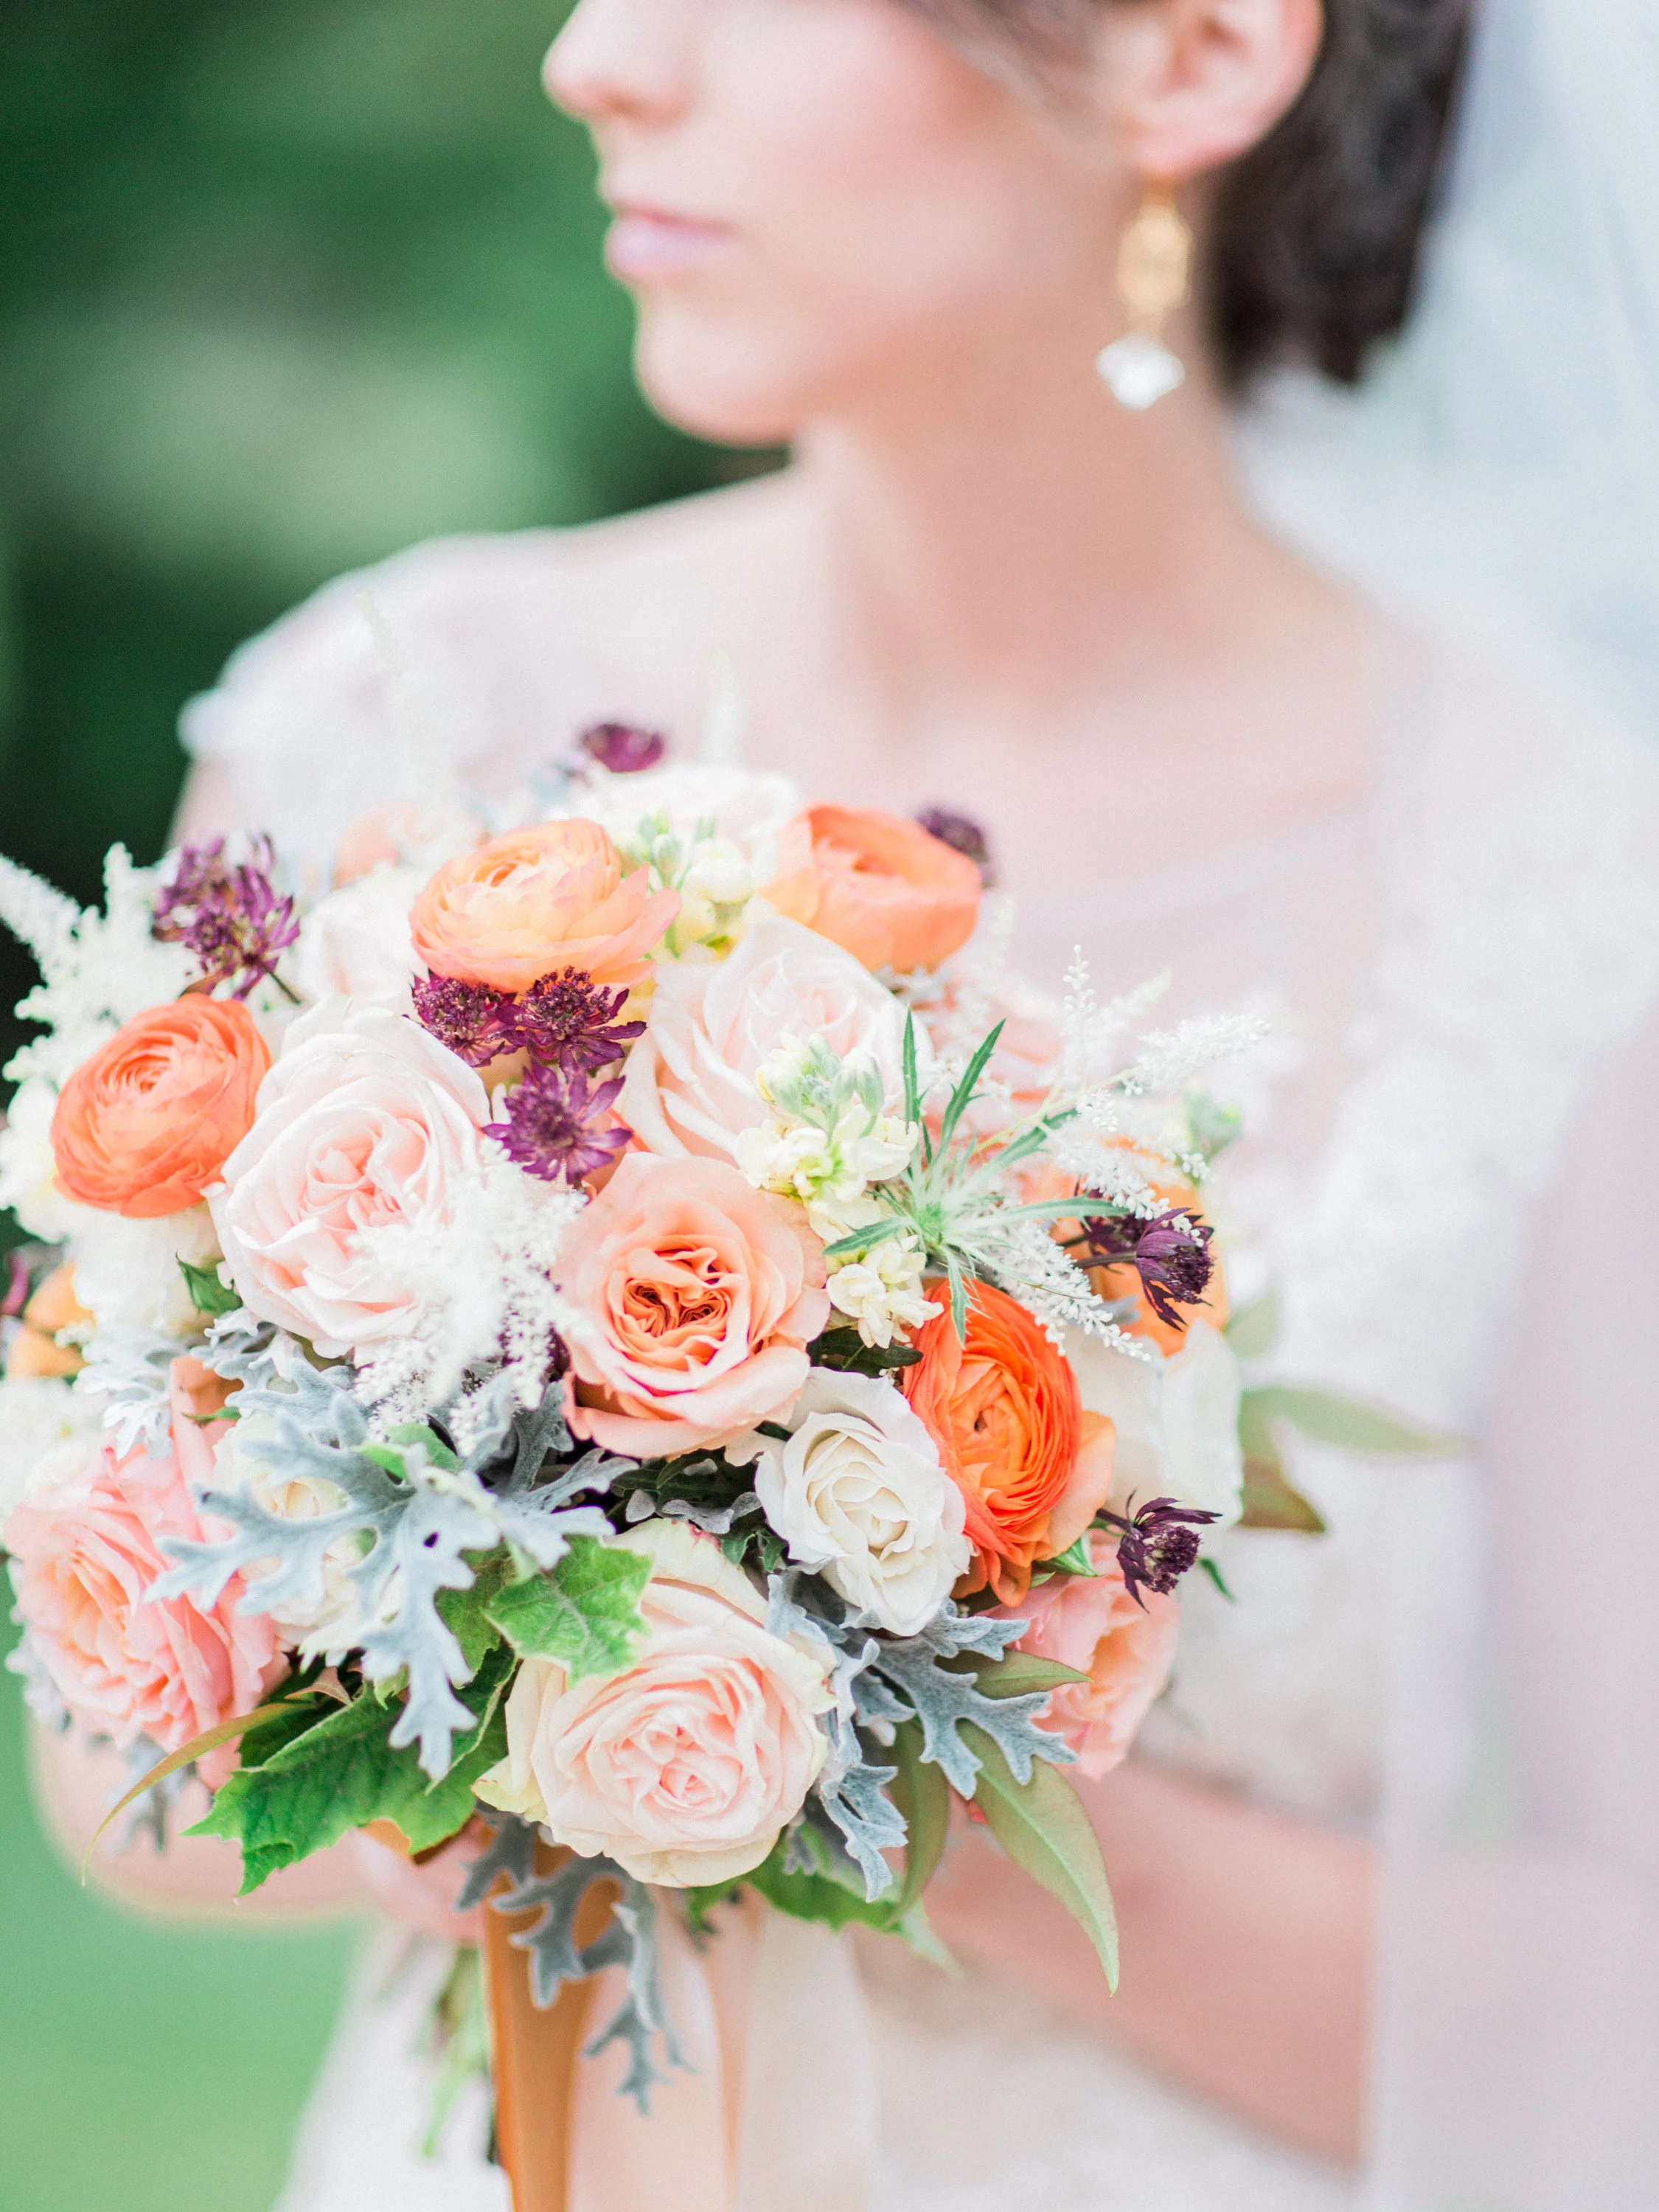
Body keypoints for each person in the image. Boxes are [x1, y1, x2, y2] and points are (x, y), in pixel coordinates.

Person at [38, 0, 1659, 2206]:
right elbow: (107, 1769)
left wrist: (822, 1728)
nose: (595, 58)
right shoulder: (399, 729)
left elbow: (1613, 2018)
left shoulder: (1570, 895)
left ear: (1190, 52)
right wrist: (493, 1660)